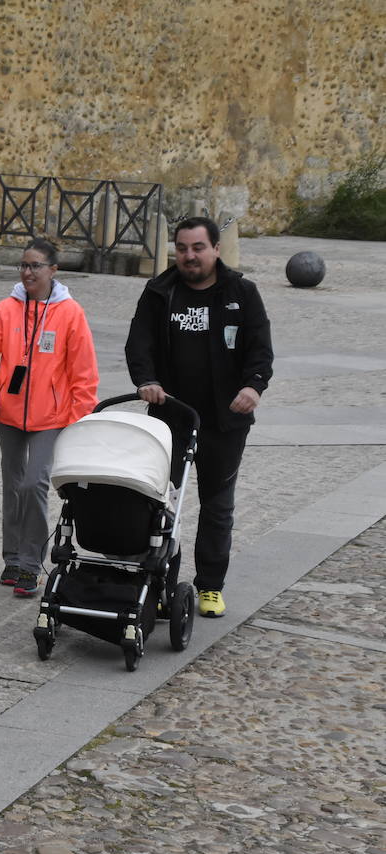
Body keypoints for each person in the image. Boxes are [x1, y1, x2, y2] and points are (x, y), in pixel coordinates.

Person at [125, 216, 273, 618]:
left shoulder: (241, 292)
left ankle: (210, 587)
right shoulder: (159, 293)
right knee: (156, 502)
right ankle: (155, 583)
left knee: (217, 505)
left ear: (215, 250)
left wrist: (252, 387)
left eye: (198, 248)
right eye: (183, 248)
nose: (189, 256)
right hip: (170, 419)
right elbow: (139, 344)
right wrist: (146, 380)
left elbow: (260, 350)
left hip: (224, 423)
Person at [0, 237, 98, 599]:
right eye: (23, 265)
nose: (27, 272)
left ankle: (29, 563)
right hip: (7, 414)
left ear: (53, 270)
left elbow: (84, 374)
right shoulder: (5, 310)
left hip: (51, 417)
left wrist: (80, 418)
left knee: (33, 484)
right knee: (12, 485)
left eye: (35, 266)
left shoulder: (71, 314)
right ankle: (11, 557)